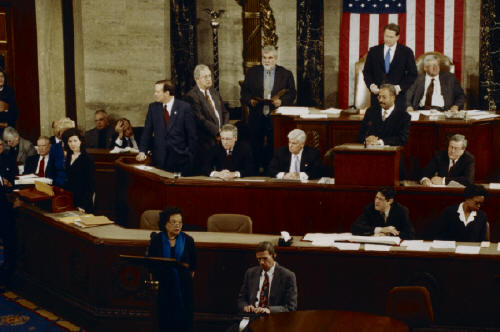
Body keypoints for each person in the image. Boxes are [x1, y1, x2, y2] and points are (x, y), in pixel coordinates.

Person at [241, 46, 296, 173]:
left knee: (274, 144)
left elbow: (292, 93)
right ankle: (254, 171)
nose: (267, 61)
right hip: (257, 115)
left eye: (270, 58)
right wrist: (250, 101)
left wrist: (281, 101)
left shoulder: (286, 74)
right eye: (264, 58)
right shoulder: (252, 73)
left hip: (276, 116)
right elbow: (244, 94)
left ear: (275, 58)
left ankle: (272, 170)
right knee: (255, 145)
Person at [147, 206, 197, 332]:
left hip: (183, 288)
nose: (177, 225)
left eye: (180, 222)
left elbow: (193, 268)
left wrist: (183, 280)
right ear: (165, 223)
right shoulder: (156, 240)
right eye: (173, 222)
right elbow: (151, 265)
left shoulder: (188, 241)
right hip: (163, 287)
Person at [137, 80, 197, 175]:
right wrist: (142, 151)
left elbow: (192, 135)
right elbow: (147, 132)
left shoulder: (184, 108)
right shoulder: (153, 108)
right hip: (159, 160)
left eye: (157, 92)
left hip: (180, 160)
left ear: (167, 93)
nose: (155, 94)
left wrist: (189, 155)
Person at [185, 64, 229, 173]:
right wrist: (218, 131)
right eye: (205, 77)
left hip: (222, 138)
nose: (209, 79)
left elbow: (225, 112)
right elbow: (200, 119)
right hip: (205, 140)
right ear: (197, 79)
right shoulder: (191, 96)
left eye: (210, 76)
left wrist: (225, 130)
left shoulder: (214, 92)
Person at [236, 241, 297, 319]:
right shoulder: (250, 273)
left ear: (274, 255)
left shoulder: (288, 276)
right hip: (251, 316)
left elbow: (291, 307)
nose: (261, 262)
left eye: (265, 258)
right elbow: (241, 299)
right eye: (259, 259)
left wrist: (269, 310)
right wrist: (245, 307)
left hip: (273, 318)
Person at [363, 23, 417, 108]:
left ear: (397, 37)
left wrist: (399, 87)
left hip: (397, 98)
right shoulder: (373, 51)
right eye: (386, 36)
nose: (388, 39)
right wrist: (371, 85)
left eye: (391, 37)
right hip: (377, 97)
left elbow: (412, 74)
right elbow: (367, 72)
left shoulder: (406, 52)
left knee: (396, 121)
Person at [62, 128, 95, 213]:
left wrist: (83, 205)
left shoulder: (87, 159)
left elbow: (90, 185)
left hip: (82, 201)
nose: (73, 144)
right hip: (69, 198)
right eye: (70, 141)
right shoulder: (68, 157)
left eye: (75, 141)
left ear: (81, 141)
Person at [46, 117, 76, 187]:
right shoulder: (54, 148)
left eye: (69, 131)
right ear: (59, 133)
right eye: (64, 131)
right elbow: (49, 171)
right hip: (57, 186)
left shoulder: (77, 147)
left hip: (75, 186)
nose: (67, 134)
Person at [0, 68, 19, 137]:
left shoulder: (10, 91)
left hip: (7, 127)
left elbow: (15, 112)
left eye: (2, 76)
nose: (0, 79)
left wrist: (7, 107)